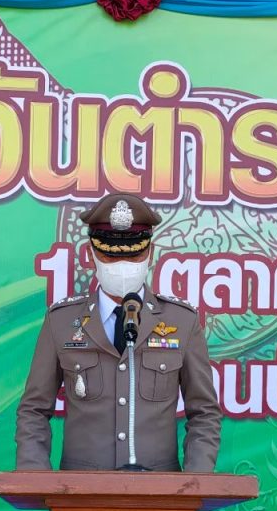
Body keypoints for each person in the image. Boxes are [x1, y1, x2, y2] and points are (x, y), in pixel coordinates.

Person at [15, 193, 222, 472]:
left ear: (150, 252)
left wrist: (195, 483)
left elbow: (204, 413)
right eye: (109, 255)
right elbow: (34, 410)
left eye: (134, 254)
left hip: (161, 491)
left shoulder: (181, 321)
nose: (122, 265)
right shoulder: (61, 321)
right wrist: (35, 479)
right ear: (91, 253)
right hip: (78, 490)